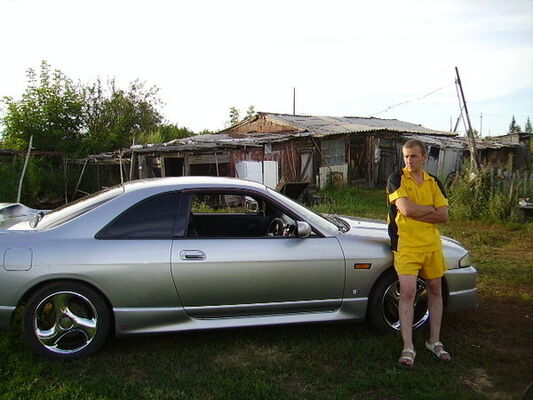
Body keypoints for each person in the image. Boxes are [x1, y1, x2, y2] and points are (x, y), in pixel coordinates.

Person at [386, 138, 452, 369]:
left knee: (435, 290)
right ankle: (408, 347)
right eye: (406, 156)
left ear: (425, 157)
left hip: (431, 245)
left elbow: (444, 215)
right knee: (408, 292)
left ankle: (434, 341)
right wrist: (430, 210)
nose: (409, 160)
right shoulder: (396, 178)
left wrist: (420, 212)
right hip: (406, 244)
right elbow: (405, 209)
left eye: (413, 156)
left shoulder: (434, 182)